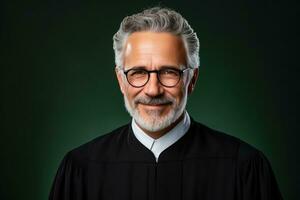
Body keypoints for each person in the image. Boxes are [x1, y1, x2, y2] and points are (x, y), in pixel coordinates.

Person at [49, 7, 283, 200]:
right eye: (138, 72)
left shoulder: (244, 169)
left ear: (192, 79)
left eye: (169, 72)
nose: (153, 90)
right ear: (121, 80)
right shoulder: (81, 170)